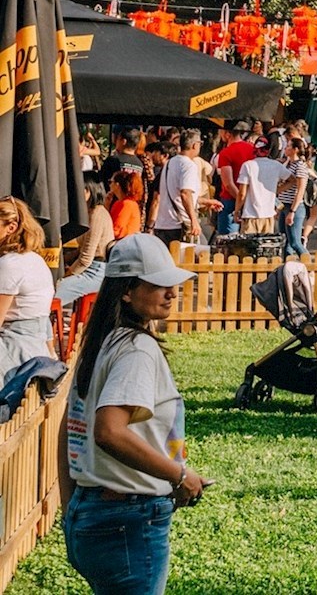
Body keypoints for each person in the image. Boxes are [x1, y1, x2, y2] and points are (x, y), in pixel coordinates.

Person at [61, 234, 209, 595]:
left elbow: (70, 428)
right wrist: (181, 476)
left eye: (172, 283)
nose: (172, 292)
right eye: (159, 284)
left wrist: (71, 507)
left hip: (92, 510)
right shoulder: (136, 350)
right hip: (128, 520)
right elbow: (109, 432)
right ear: (127, 291)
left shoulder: (102, 341)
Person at [0, 198, 56, 379]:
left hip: (13, 352)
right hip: (36, 350)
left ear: (11, 227)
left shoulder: (9, 264)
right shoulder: (35, 259)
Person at [59, 178, 116, 304]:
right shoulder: (89, 212)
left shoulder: (97, 214)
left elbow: (85, 259)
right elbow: (81, 251)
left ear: (89, 191)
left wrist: (65, 276)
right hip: (92, 266)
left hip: (95, 270)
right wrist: (61, 260)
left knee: (51, 295)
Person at [152, 131, 208, 247]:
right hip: (179, 224)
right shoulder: (188, 165)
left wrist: (205, 202)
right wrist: (194, 221)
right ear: (194, 145)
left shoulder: (169, 163)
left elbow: (173, 192)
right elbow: (185, 194)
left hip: (163, 224)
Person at [211, 122, 257, 237]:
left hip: (230, 200)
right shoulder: (252, 149)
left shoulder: (225, 153)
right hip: (250, 198)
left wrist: (240, 202)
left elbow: (228, 184)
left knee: (228, 240)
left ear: (227, 134)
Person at [234, 145, 287, 238]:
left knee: (247, 248)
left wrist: (237, 211)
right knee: (266, 247)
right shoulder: (276, 165)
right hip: (269, 214)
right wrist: (276, 190)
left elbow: (242, 193)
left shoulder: (247, 165)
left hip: (250, 214)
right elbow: (293, 180)